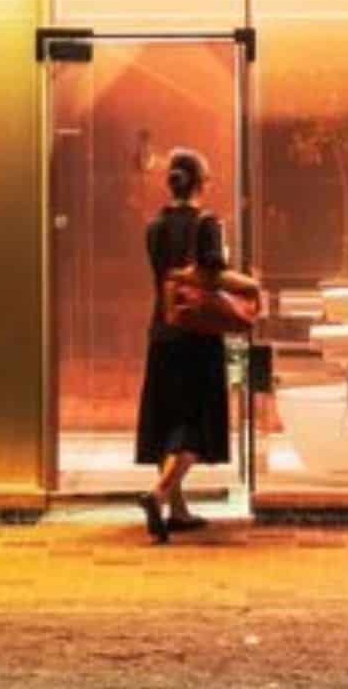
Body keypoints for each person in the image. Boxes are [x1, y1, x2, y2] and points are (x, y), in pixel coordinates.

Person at [134, 147, 255, 543]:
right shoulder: (208, 223)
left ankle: (178, 510)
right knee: (194, 425)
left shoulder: (154, 228)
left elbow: (167, 276)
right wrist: (251, 284)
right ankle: (159, 493)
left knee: (168, 418)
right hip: (196, 337)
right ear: (202, 182)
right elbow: (212, 275)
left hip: (161, 332)